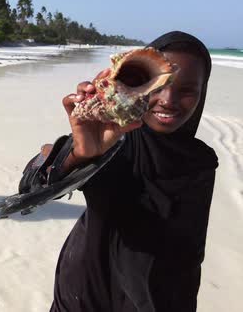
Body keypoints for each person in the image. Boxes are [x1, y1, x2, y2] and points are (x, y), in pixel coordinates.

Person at [39, 31, 218, 311]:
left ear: (201, 94)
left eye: (186, 91)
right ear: (139, 84)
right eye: (159, 86)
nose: (168, 100)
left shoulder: (201, 161)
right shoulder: (112, 142)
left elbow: (191, 253)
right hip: (86, 293)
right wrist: (77, 155)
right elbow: (36, 184)